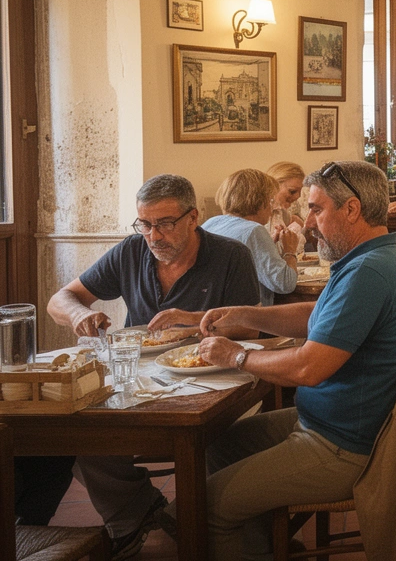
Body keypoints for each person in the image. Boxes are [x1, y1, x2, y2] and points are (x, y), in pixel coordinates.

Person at [180, 160, 396, 559]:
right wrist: (244, 314)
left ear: (352, 209)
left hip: (347, 446)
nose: (307, 223)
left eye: (316, 209)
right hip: (330, 422)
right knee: (220, 444)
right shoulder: (372, 258)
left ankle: (241, 536)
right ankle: (262, 545)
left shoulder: (370, 272)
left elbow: (308, 368)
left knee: (203, 507)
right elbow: (317, 316)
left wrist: (237, 355)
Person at [45, 174, 260, 558]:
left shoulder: (230, 255)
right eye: (145, 224)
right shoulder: (131, 252)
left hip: (210, 378)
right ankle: (136, 512)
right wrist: (79, 313)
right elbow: (61, 298)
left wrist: (193, 319)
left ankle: (202, 526)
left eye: (165, 223)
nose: (153, 235)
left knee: (211, 442)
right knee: (82, 437)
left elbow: (249, 325)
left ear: (193, 217)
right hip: (138, 381)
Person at [201, 168, 300, 305]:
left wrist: (269, 243)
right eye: (270, 200)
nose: (271, 208)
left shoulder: (211, 223)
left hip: (211, 311)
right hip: (246, 319)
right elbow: (285, 284)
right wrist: (290, 251)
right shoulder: (254, 231)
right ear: (260, 201)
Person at [267, 160, 308, 232]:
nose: (297, 196)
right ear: (274, 185)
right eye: (292, 191)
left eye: (299, 192)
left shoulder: (284, 214)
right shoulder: (257, 214)